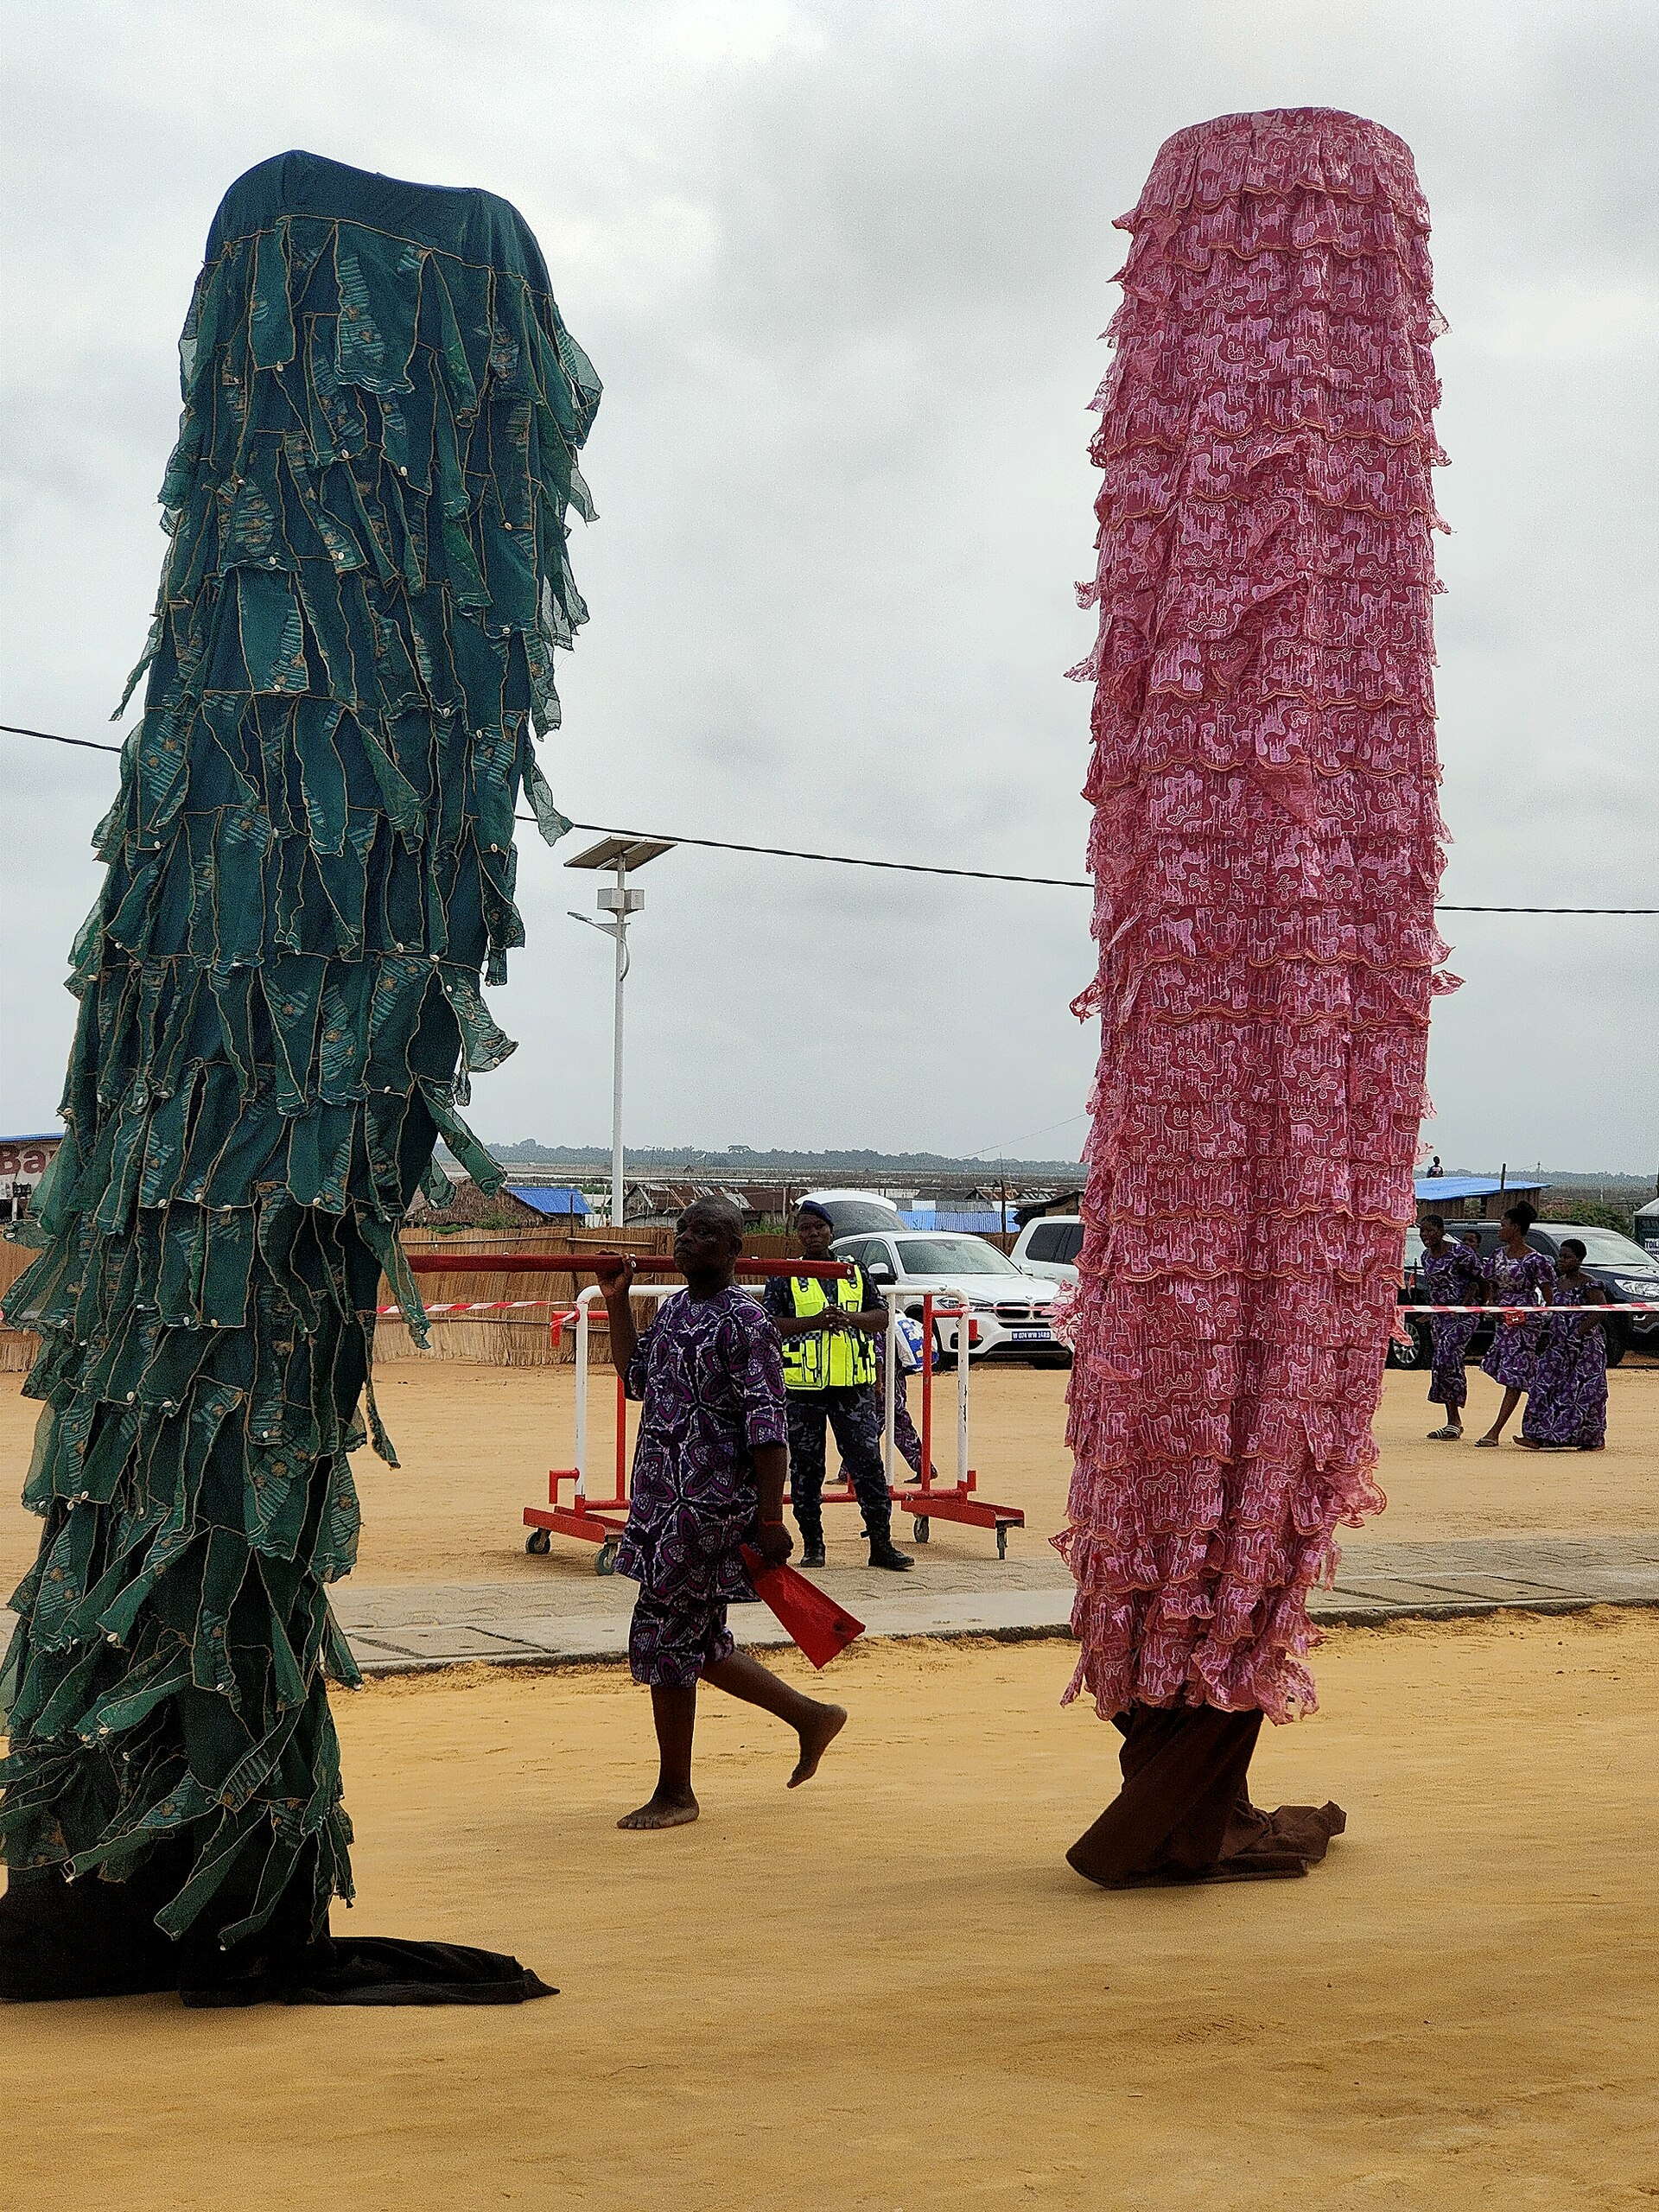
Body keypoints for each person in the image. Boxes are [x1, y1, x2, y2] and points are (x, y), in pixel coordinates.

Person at [599, 1198, 847, 1832]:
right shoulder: (676, 1310)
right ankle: (810, 1716)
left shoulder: (747, 1321)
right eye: (682, 1230)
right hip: (661, 1496)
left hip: (708, 1507)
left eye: (704, 1233)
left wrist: (770, 1519)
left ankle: (676, 1793)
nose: (686, 1240)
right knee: (693, 1641)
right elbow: (634, 1376)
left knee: (664, 1638)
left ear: (735, 1249)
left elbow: (769, 1427)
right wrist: (617, 1300)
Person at [763, 1204, 913, 1571]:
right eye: (805, 1228)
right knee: (806, 1469)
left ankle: (881, 1544)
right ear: (797, 1235)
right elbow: (770, 1325)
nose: (813, 1234)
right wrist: (813, 1322)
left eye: (819, 1227)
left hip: (852, 1388)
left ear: (830, 1231)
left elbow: (881, 1316)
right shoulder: (786, 1276)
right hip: (803, 1390)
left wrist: (850, 1319)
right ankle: (813, 1545)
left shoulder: (853, 1272)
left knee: (868, 1466)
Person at [1475, 1200, 1555, 1446]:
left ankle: (1495, 1431)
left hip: (1525, 1323)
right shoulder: (1498, 1255)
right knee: (1512, 1372)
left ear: (1516, 1228)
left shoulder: (1535, 1260)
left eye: (1503, 1225)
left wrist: (1553, 1320)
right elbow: (1487, 1281)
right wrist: (1492, 1303)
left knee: (1516, 1377)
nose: (1499, 1230)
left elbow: (1550, 1293)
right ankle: (1543, 1420)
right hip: (1503, 1322)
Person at [1518, 1239, 1610, 1452]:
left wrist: (1579, 1333)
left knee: (1582, 1392)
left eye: (1567, 1257)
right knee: (1543, 1386)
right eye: (1560, 1256)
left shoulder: (1590, 1283)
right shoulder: (1558, 1283)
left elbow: (1602, 1311)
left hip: (1585, 1349)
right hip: (1558, 1347)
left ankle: (1591, 1438)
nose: (1561, 1260)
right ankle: (1536, 1434)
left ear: (1579, 1259)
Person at [1418, 1213, 1486, 1440]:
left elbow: (1482, 1278)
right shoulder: (1426, 1257)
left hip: (1464, 1314)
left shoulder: (1460, 1253)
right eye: (1422, 1231)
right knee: (1442, 1363)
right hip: (1440, 1316)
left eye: (1430, 1231)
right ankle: (1452, 1421)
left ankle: (1455, 1421)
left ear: (1441, 1231)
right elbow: (1434, 1288)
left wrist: (1480, 1303)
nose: (1425, 1235)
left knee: (1447, 1356)